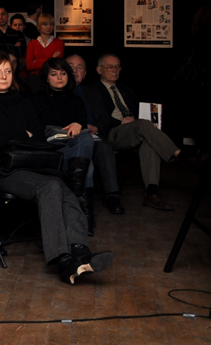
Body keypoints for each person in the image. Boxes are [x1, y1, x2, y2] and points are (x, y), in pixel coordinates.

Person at [0, 51, 113, 284]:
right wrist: (21, 134)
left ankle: (80, 253)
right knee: (50, 187)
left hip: (35, 165)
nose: (3, 76)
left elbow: (37, 137)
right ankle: (63, 260)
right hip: (6, 170)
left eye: (8, 71)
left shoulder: (24, 102)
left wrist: (7, 134)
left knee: (66, 189)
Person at [84, 53, 181, 211]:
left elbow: (138, 114)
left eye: (117, 67)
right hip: (112, 132)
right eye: (110, 67)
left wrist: (134, 120)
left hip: (134, 130)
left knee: (149, 142)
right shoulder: (92, 90)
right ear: (99, 70)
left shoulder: (126, 91)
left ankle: (152, 194)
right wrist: (127, 122)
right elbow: (100, 117)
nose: (114, 70)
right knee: (142, 125)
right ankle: (177, 154)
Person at [32, 58, 97, 225]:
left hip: (73, 145)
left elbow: (82, 126)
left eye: (63, 73)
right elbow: (37, 130)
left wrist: (78, 124)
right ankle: (83, 216)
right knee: (87, 165)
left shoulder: (76, 100)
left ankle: (76, 205)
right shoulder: (36, 99)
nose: (59, 77)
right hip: (50, 147)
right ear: (47, 78)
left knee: (86, 142)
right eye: (54, 74)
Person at [65, 54, 124, 215]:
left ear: (85, 73)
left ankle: (112, 196)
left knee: (104, 148)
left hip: (93, 135)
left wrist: (97, 128)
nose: (75, 71)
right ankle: (80, 204)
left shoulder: (92, 91)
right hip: (70, 136)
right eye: (70, 67)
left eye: (79, 68)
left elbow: (105, 117)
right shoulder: (57, 91)